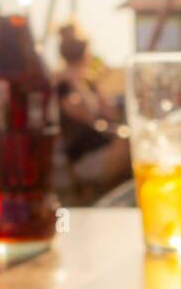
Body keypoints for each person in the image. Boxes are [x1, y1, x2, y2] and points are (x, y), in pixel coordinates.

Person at [55, 20, 131, 197]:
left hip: (98, 149)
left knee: (135, 144)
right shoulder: (64, 85)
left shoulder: (88, 82)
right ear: (85, 53)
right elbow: (89, 115)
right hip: (84, 158)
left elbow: (111, 113)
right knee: (134, 147)